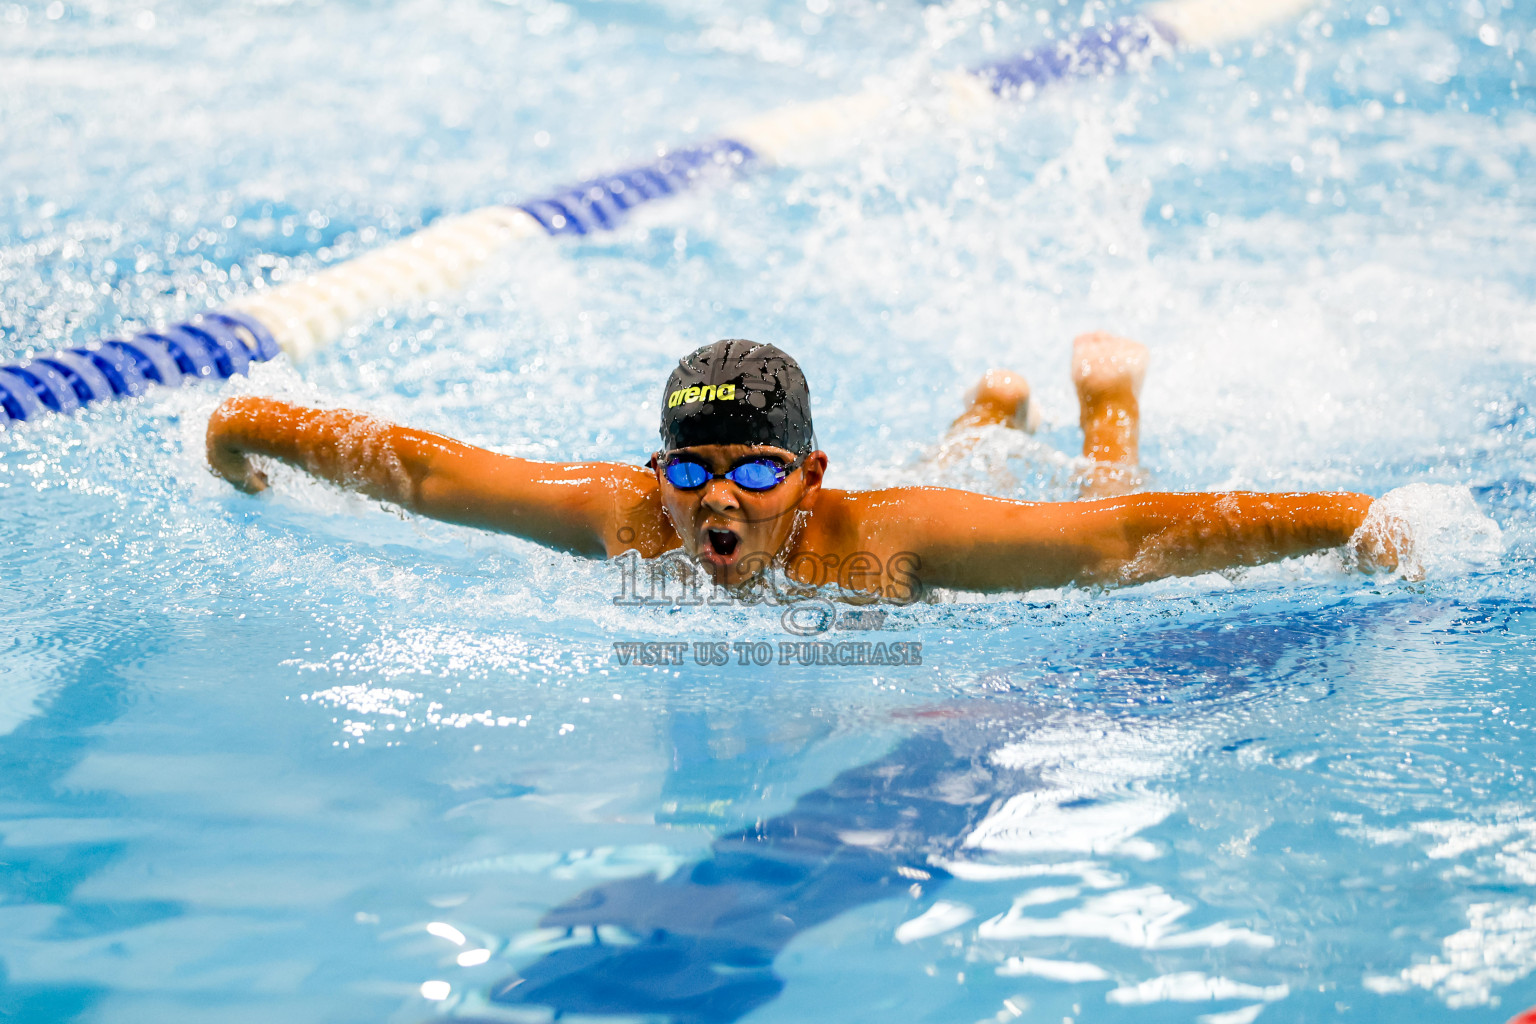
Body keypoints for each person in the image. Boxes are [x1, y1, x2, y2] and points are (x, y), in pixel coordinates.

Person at [205, 333, 1395, 598]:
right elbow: (427, 473)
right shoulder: (627, 518)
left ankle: (1108, 412)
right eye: (694, 472)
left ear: (810, 477)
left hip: (974, 525)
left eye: (756, 473)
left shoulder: (887, 538)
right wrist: (248, 421)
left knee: (1081, 513)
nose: (718, 498)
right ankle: (986, 414)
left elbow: (1117, 543)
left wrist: (1343, 516)